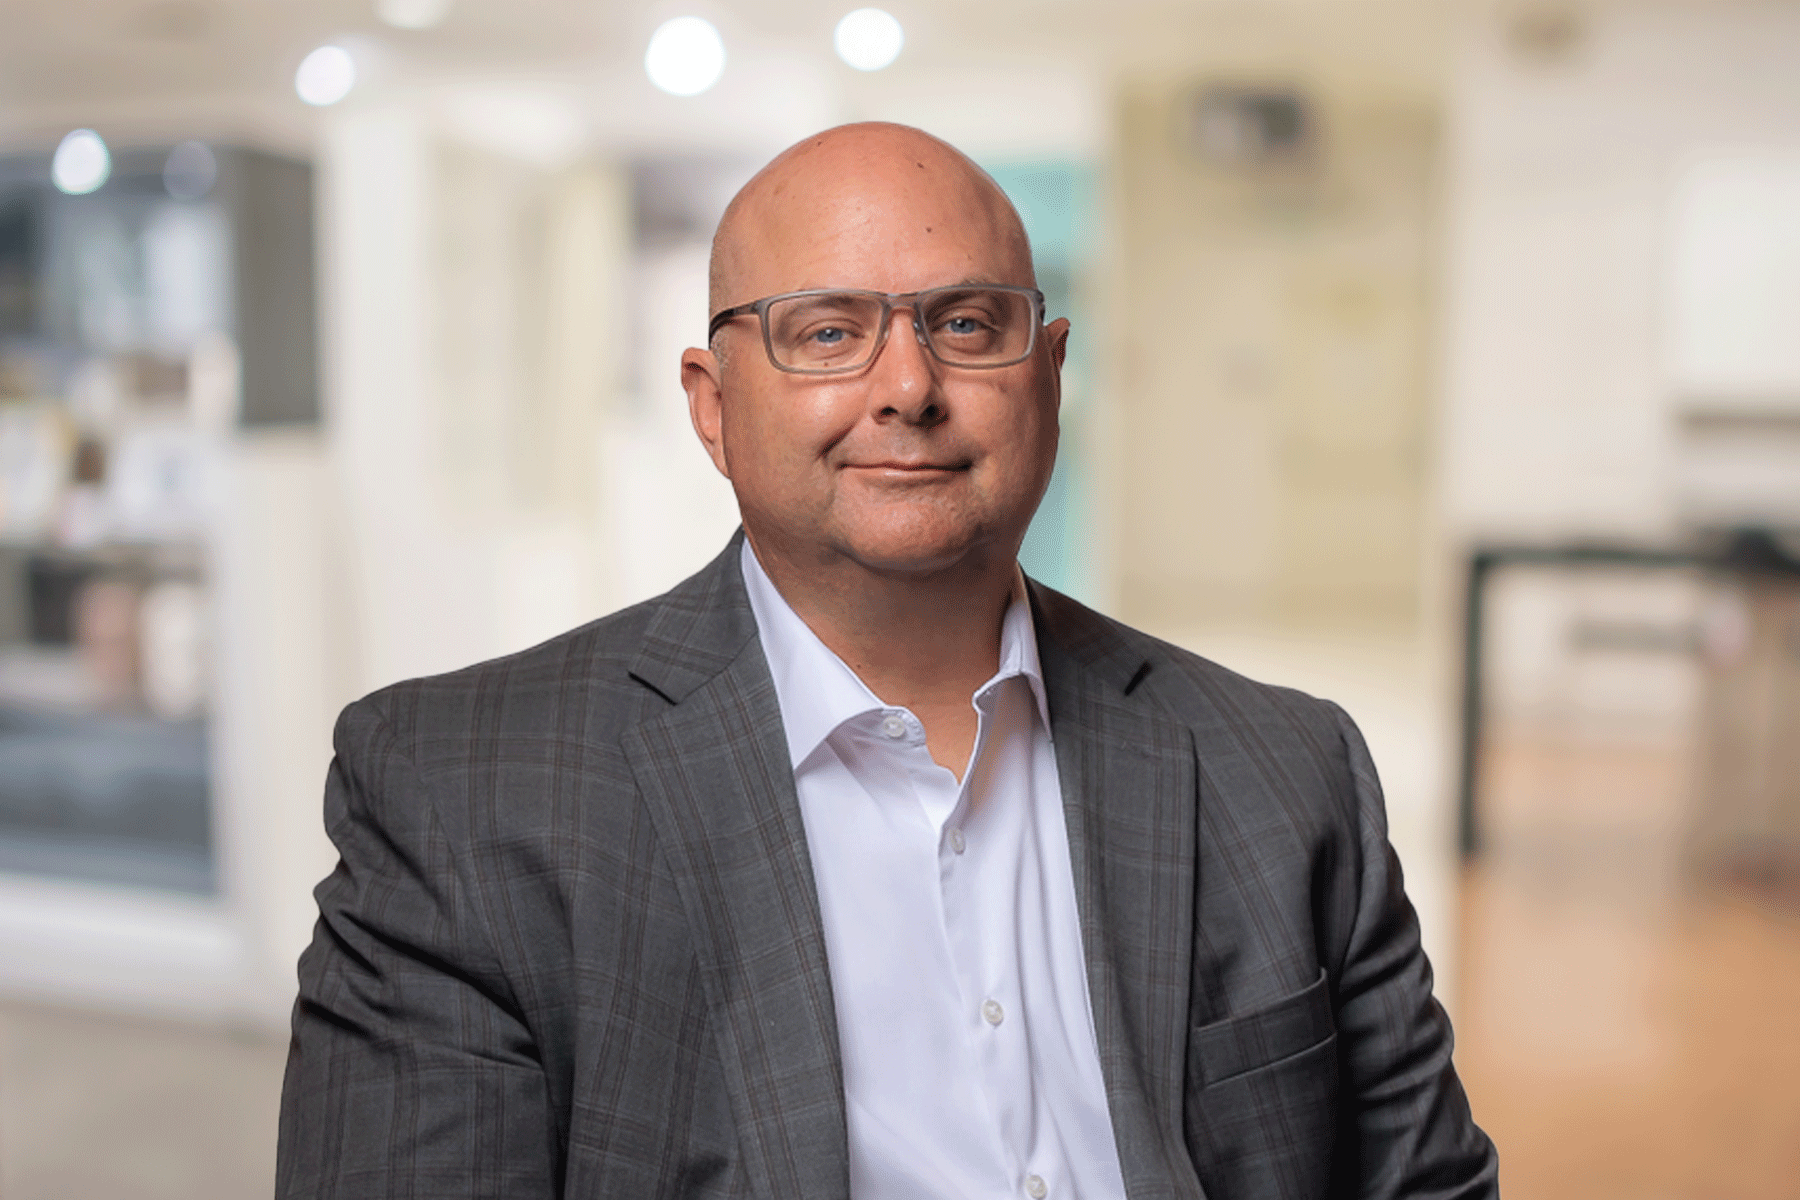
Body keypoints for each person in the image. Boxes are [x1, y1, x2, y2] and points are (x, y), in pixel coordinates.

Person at [276, 122, 1498, 1200]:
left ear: (1050, 375)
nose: (909, 386)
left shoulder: (1285, 772)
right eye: (827, 332)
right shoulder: (461, 802)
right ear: (712, 405)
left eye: (966, 325)